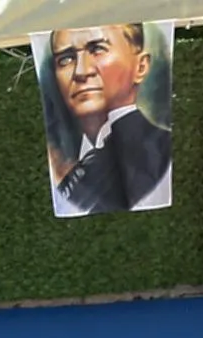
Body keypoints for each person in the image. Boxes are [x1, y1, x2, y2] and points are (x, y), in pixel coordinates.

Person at [49, 25, 170, 215]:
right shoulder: (64, 167)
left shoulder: (163, 151)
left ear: (141, 67)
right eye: (66, 59)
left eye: (97, 50)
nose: (81, 71)